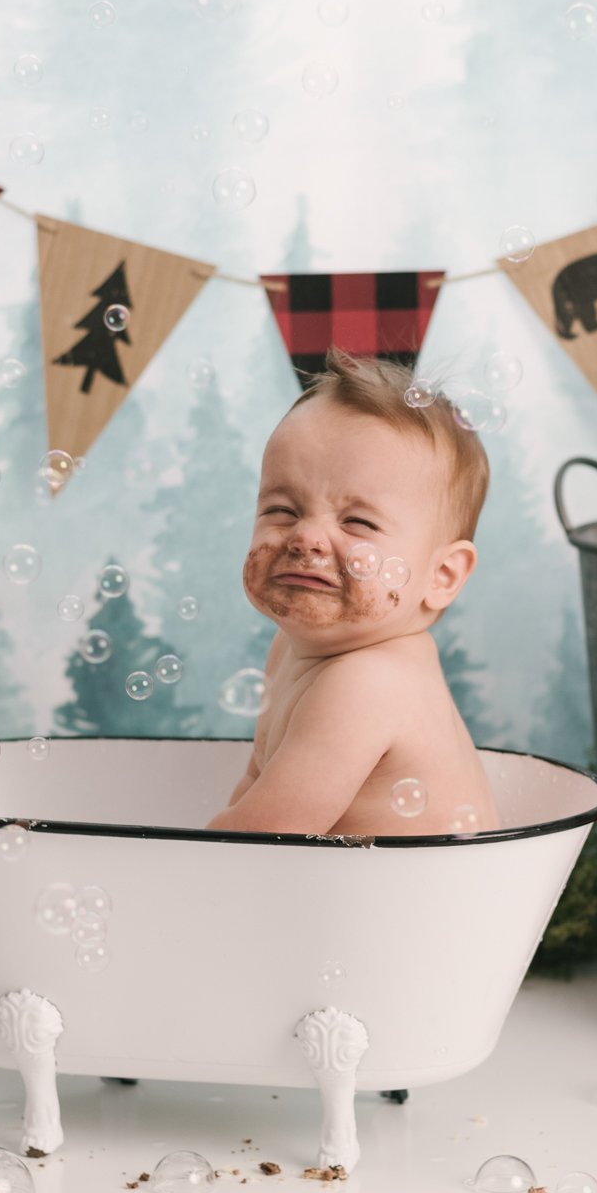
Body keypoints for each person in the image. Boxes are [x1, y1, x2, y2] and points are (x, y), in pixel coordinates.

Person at [208, 350, 500, 838]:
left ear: (443, 576)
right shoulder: (290, 649)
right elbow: (256, 790)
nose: (307, 537)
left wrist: (160, 871)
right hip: (339, 901)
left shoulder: (367, 684)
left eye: (358, 522)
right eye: (282, 509)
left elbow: (258, 839)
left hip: (418, 909)